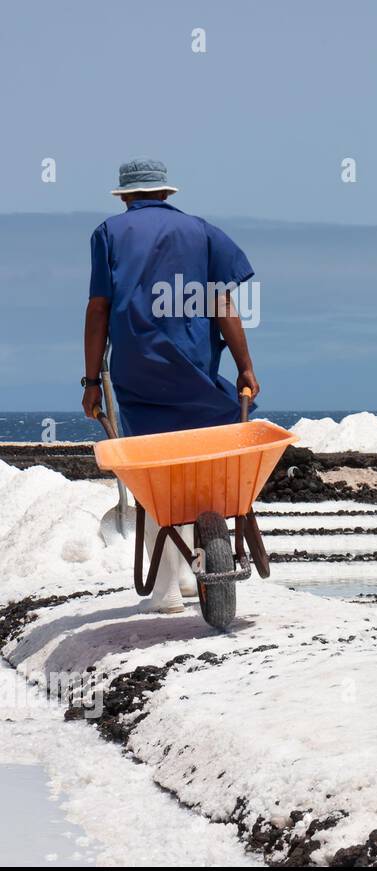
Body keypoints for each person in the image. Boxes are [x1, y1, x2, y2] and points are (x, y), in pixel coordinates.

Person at [82, 158, 261, 612]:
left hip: (138, 372)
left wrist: (90, 381)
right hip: (195, 369)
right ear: (166, 193)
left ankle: (167, 589)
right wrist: (245, 366)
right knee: (197, 464)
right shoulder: (201, 233)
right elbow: (223, 303)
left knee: (156, 475)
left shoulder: (108, 233)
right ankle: (184, 574)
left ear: (124, 197)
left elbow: (98, 310)